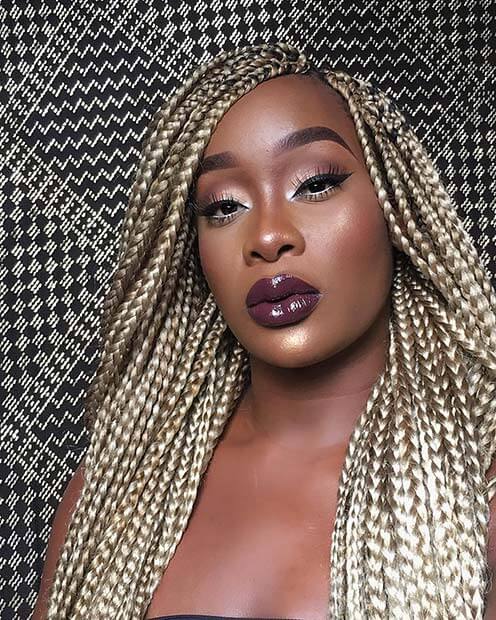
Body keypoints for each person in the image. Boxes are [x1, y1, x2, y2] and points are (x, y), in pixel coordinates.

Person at [33, 41, 496, 620]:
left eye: (316, 184)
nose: (268, 236)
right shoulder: (116, 495)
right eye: (224, 207)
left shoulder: (477, 490)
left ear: (396, 207)